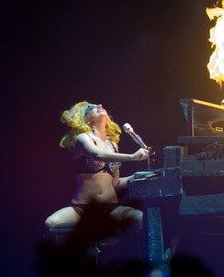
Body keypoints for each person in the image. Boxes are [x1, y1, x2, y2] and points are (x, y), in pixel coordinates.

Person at [45, 101, 149, 235]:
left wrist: (138, 176)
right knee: (51, 223)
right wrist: (133, 157)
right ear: (86, 120)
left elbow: (115, 183)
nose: (99, 105)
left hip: (111, 209)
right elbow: (97, 154)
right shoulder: (82, 138)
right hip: (82, 210)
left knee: (140, 218)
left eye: (98, 106)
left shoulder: (113, 145)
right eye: (91, 108)